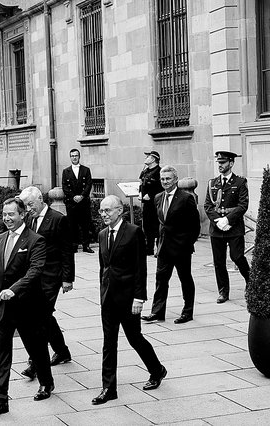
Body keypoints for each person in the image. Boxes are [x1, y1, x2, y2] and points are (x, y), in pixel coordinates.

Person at [0, 197, 54, 418]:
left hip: (27, 306)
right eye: (4, 214)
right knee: (2, 354)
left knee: (36, 348)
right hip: (3, 307)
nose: (7, 218)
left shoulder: (36, 241)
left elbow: (35, 271)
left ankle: (46, 382)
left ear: (22, 214)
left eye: (11, 214)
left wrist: (14, 289)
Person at [93, 195, 166, 405]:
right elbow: (103, 268)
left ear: (119, 211)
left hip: (128, 298)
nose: (104, 214)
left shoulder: (133, 232)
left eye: (107, 210)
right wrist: (102, 293)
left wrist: (139, 298)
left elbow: (139, 268)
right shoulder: (101, 234)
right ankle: (108, 388)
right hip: (108, 299)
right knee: (109, 343)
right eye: (101, 211)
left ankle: (157, 369)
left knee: (135, 338)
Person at [18, 186, 74, 380]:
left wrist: (67, 278)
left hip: (52, 276)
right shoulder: (29, 218)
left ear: (40, 199)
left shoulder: (58, 219)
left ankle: (34, 363)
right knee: (45, 316)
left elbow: (67, 250)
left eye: (30, 204)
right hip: (33, 277)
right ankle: (62, 350)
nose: (28, 208)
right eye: (25, 206)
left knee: (38, 319)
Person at [141, 166, 200, 324]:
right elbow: (159, 223)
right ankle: (157, 312)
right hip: (164, 247)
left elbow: (195, 226)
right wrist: (155, 242)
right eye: (162, 179)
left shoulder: (185, 198)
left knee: (185, 279)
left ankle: (187, 312)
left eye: (168, 179)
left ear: (175, 180)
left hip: (181, 248)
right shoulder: (158, 197)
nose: (165, 182)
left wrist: (187, 243)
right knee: (161, 280)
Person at [204, 151, 250, 304]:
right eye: (218, 162)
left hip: (234, 227)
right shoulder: (212, 183)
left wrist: (228, 220)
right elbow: (208, 205)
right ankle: (223, 291)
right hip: (217, 228)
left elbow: (243, 205)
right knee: (219, 261)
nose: (220, 165)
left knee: (237, 257)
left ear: (231, 163)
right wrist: (218, 220)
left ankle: (250, 281)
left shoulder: (240, 182)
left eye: (223, 163)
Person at [62, 148, 94, 253]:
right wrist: (73, 197)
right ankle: (74, 245)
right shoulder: (66, 171)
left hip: (83, 202)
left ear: (79, 157)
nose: (74, 157)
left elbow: (89, 184)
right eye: (72, 156)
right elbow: (65, 187)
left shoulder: (86, 170)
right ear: (70, 157)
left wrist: (82, 196)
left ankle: (86, 245)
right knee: (72, 225)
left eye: (76, 155)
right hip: (72, 203)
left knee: (85, 224)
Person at [139, 151, 164, 255]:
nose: (146, 158)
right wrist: (140, 192)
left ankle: (159, 249)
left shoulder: (160, 171)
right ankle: (149, 248)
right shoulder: (144, 171)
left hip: (157, 203)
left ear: (154, 159)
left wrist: (151, 194)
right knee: (147, 226)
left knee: (157, 226)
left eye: (148, 156)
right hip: (147, 204)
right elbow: (141, 184)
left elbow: (161, 186)